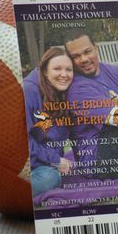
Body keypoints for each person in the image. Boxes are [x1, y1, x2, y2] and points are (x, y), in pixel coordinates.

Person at [64, 29, 118, 179]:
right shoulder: (77, 90)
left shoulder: (117, 72)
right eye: (76, 56)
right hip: (97, 160)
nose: (84, 59)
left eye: (87, 51)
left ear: (96, 48)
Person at [23, 47, 73, 196]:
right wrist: (55, 160)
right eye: (57, 68)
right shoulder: (29, 91)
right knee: (49, 179)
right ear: (44, 70)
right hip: (27, 164)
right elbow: (22, 140)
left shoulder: (65, 91)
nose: (64, 74)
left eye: (69, 69)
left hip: (47, 163)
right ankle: (10, 192)